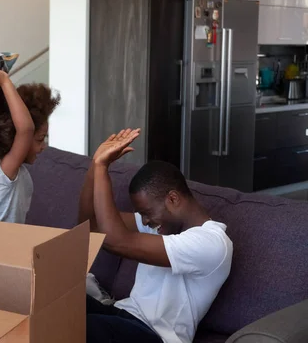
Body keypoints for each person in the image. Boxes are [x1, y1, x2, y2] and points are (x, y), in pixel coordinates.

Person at [80, 129, 233, 343]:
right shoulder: (161, 226)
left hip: (156, 335)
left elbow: (115, 241)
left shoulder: (212, 243)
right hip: (125, 315)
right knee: (57, 303)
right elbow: (90, 225)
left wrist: (102, 169)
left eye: (147, 213)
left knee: (78, 328)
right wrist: (94, 165)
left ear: (172, 199)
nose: (144, 221)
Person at [0, 70, 60, 223]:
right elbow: (25, 129)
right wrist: (4, 81)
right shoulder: (3, 170)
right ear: (13, 138)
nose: (44, 146)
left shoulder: (11, 169)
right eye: (40, 139)